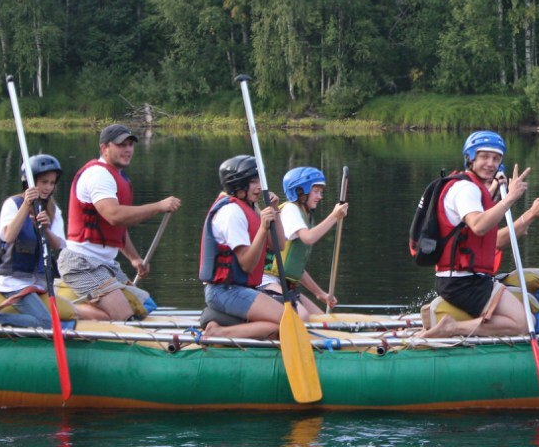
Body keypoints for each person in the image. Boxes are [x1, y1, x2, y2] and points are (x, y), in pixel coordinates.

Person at [422, 130, 539, 337]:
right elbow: (479, 226)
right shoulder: (465, 189)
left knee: (526, 315)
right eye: (484, 157)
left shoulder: (473, 189)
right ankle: (452, 327)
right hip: (462, 282)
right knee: (525, 323)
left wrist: (521, 210)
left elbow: (489, 235)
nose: (491, 163)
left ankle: (460, 327)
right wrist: (511, 198)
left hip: (470, 279)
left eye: (496, 158)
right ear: (470, 158)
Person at [57, 123, 181, 320]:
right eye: (121, 145)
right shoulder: (98, 175)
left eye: (130, 144)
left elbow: (116, 229)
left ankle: (95, 310)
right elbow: (115, 216)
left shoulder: (116, 177)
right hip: (81, 263)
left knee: (146, 306)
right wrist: (158, 206)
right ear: (104, 148)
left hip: (105, 263)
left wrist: (134, 258)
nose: (128, 150)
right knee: (124, 315)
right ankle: (57, 312)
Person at [199, 154, 297, 339]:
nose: (260, 186)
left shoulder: (250, 207)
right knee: (287, 321)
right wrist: (262, 227)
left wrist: (275, 210)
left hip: (241, 289)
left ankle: (238, 333)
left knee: (289, 319)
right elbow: (247, 265)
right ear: (238, 185)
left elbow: (279, 245)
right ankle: (218, 332)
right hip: (224, 291)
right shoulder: (231, 213)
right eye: (253, 181)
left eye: (260, 180)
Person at [0, 154, 66, 327]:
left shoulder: (53, 210)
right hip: (13, 282)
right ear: (30, 182)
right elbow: (8, 236)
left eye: (52, 183)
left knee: (66, 315)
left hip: (39, 283)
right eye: (44, 182)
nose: (48, 187)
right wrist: (26, 205)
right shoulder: (13, 204)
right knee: (47, 323)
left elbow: (59, 244)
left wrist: (45, 229)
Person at [261, 166, 349, 315]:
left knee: (322, 319)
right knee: (302, 315)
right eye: (315, 191)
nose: (320, 196)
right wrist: (334, 216)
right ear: (300, 192)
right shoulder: (290, 209)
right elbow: (308, 238)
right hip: (267, 282)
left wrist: (320, 293)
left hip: (286, 284)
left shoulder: (303, 216)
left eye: (320, 192)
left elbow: (295, 267)